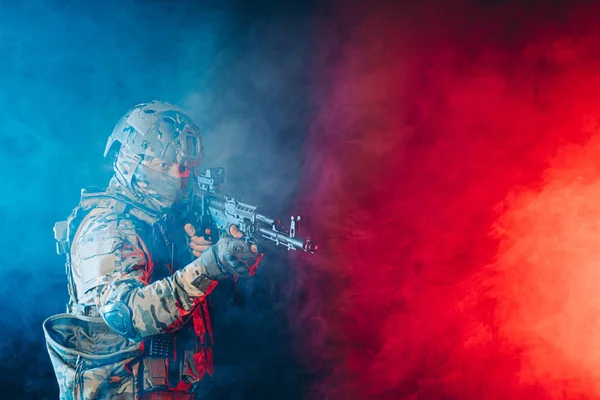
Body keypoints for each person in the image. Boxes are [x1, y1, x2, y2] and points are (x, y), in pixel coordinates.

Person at [43, 100, 262, 399]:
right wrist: (209, 267)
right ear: (132, 163)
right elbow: (127, 315)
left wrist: (226, 265)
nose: (178, 176)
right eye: (164, 166)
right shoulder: (108, 227)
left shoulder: (160, 222)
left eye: (184, 167)